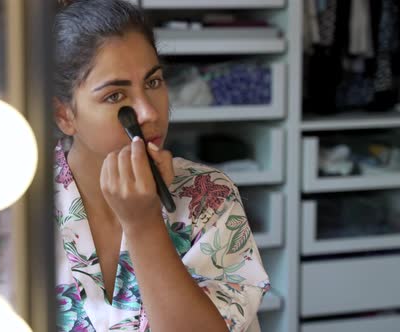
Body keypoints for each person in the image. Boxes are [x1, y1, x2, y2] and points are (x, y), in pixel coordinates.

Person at [52, 1, 270, 331]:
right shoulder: (18, 204)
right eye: (115, 96)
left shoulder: (209, 197)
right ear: (64, 114)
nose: (150, 113)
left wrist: (143, 225)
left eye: (153, 83)